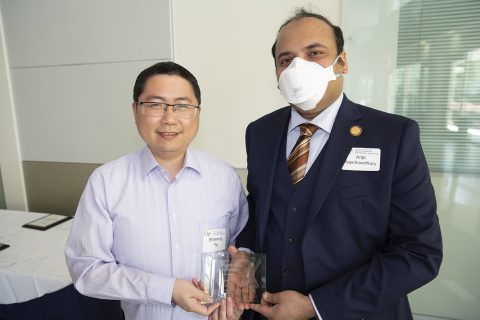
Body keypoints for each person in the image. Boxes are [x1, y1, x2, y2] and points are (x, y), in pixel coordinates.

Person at [235, 8, 443, 320]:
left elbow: (418, 253)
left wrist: (315, 306)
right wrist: (246, 255)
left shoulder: (394, 136)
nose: (297, 67)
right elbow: (261, 206)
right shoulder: (260, 132)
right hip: (268, 311)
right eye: (286, 60)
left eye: (314, 53)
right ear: (277, 74)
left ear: (342, 63)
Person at [65, 62, 248, 320]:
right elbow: (86, 271)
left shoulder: (225, 178)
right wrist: (166, 288)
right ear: (135, 111)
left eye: (182, 106)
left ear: (197, 113)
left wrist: (238, 291)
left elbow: (243, 248)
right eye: (155, 105)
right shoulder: (106, 182)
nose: (169, 118)